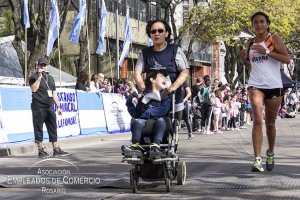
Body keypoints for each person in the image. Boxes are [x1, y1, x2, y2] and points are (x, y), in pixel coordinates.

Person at [239, 12, 290, 172]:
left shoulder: (274, 39)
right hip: (256, 84)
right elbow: (251, 64)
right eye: (255, 22)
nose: (259, 24)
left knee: (270, 124)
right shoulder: (250, 42)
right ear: (253, 25)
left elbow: (286, 59)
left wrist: (266, 52)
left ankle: (270, 152)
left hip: (274, 85)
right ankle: (257, 160)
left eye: (262, 22)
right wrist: (243, 59)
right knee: (257, 121)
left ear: (267, 24)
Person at [134, 19, 190, 126]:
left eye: (160, 31)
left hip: (173, 94)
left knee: (173, 125)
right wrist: (143, 88)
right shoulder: (145, 53)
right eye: (153, 31)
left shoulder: (175, 50)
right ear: (150, 35)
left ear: (166, 33)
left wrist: (174, 86)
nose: (157, 34)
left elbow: (185, 71)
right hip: (153, 95)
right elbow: (137, 72)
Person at [122, 72, 171, 158]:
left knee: (161, 121)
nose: (165, 79)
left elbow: (163, 110)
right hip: (145, 122)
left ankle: (155, 146)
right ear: (152, 80)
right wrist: (130, 102)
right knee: (137, 122)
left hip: (159, 121)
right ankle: (135, 145)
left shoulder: (165, 96)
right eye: (161, 76)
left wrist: (148, 112)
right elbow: (136, 114)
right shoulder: (144, 97)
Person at [29, 57, 69, 158]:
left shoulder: (50, 78)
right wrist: (39, 77)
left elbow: (54, 93)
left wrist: (58, 106)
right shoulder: (33, 77)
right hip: (38, 107)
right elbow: (33, 89)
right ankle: (40, 149)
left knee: (52, 127)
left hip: (49, 106)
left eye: (44, 65)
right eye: (41, 65)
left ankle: (56, 148)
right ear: (38, 66)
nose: (43, 66)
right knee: (38, 128)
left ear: (47, 66)